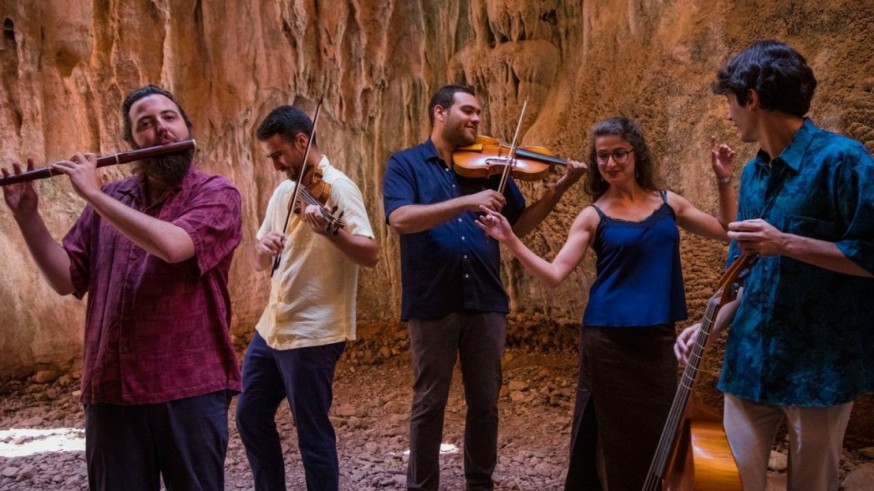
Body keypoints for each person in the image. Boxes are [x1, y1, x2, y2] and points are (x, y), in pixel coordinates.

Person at [1, 85, 243, 489]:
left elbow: (172, 246)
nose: (160, 130)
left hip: (189, 388)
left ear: (186, 127)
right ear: (131, 142)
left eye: (169, 118)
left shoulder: (217, 193)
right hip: (111, 391)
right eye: (145, 125)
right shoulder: (114, 197)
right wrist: (28, 218)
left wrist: (93, 194)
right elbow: (65, 278)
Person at [477, 116, 737, 490]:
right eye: (602, 156)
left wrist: (723, 179)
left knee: (657, 432)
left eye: (619, 154)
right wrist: (510, 240)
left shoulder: (668, 204)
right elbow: (553, 275)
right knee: (609, 436)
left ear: (636, 154)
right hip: (608, 342)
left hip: (657, 338)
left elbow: (726, 231)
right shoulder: (592, 215)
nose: (611, 163)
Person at [675, 40, 874, 491]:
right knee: (731, 482)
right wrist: (709, 325)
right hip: (748, 360)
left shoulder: (842, 160)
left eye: (730, 100)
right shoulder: (752, 173)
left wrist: (786, 242)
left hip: (818, 367)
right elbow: (740, 273)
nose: (728, 114)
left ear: (753, 98)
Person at [382, 84, 586, 491]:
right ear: (440, 112)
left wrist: (560, 187)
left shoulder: (491, 168)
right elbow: (401, 218)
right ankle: (421, 486)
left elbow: (521, 224)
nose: (476, 120)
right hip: (431, 299)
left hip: (486, 300)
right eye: (468, 111)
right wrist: (466, 202)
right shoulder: (405, 164)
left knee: (486, 403)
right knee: (428, 402)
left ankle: (480, 483)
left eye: (479, 113)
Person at [235, 105, 379, 491]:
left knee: (311, 432)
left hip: (314, 332)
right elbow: (257, 259)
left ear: (302, 141)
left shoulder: (340, 187)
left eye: (279, 154)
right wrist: (263, 247)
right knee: (249, 416)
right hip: (273, 327)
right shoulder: (285, 192)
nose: (276, 164)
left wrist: (329, 231)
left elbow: (370, 253)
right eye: (271, 157)